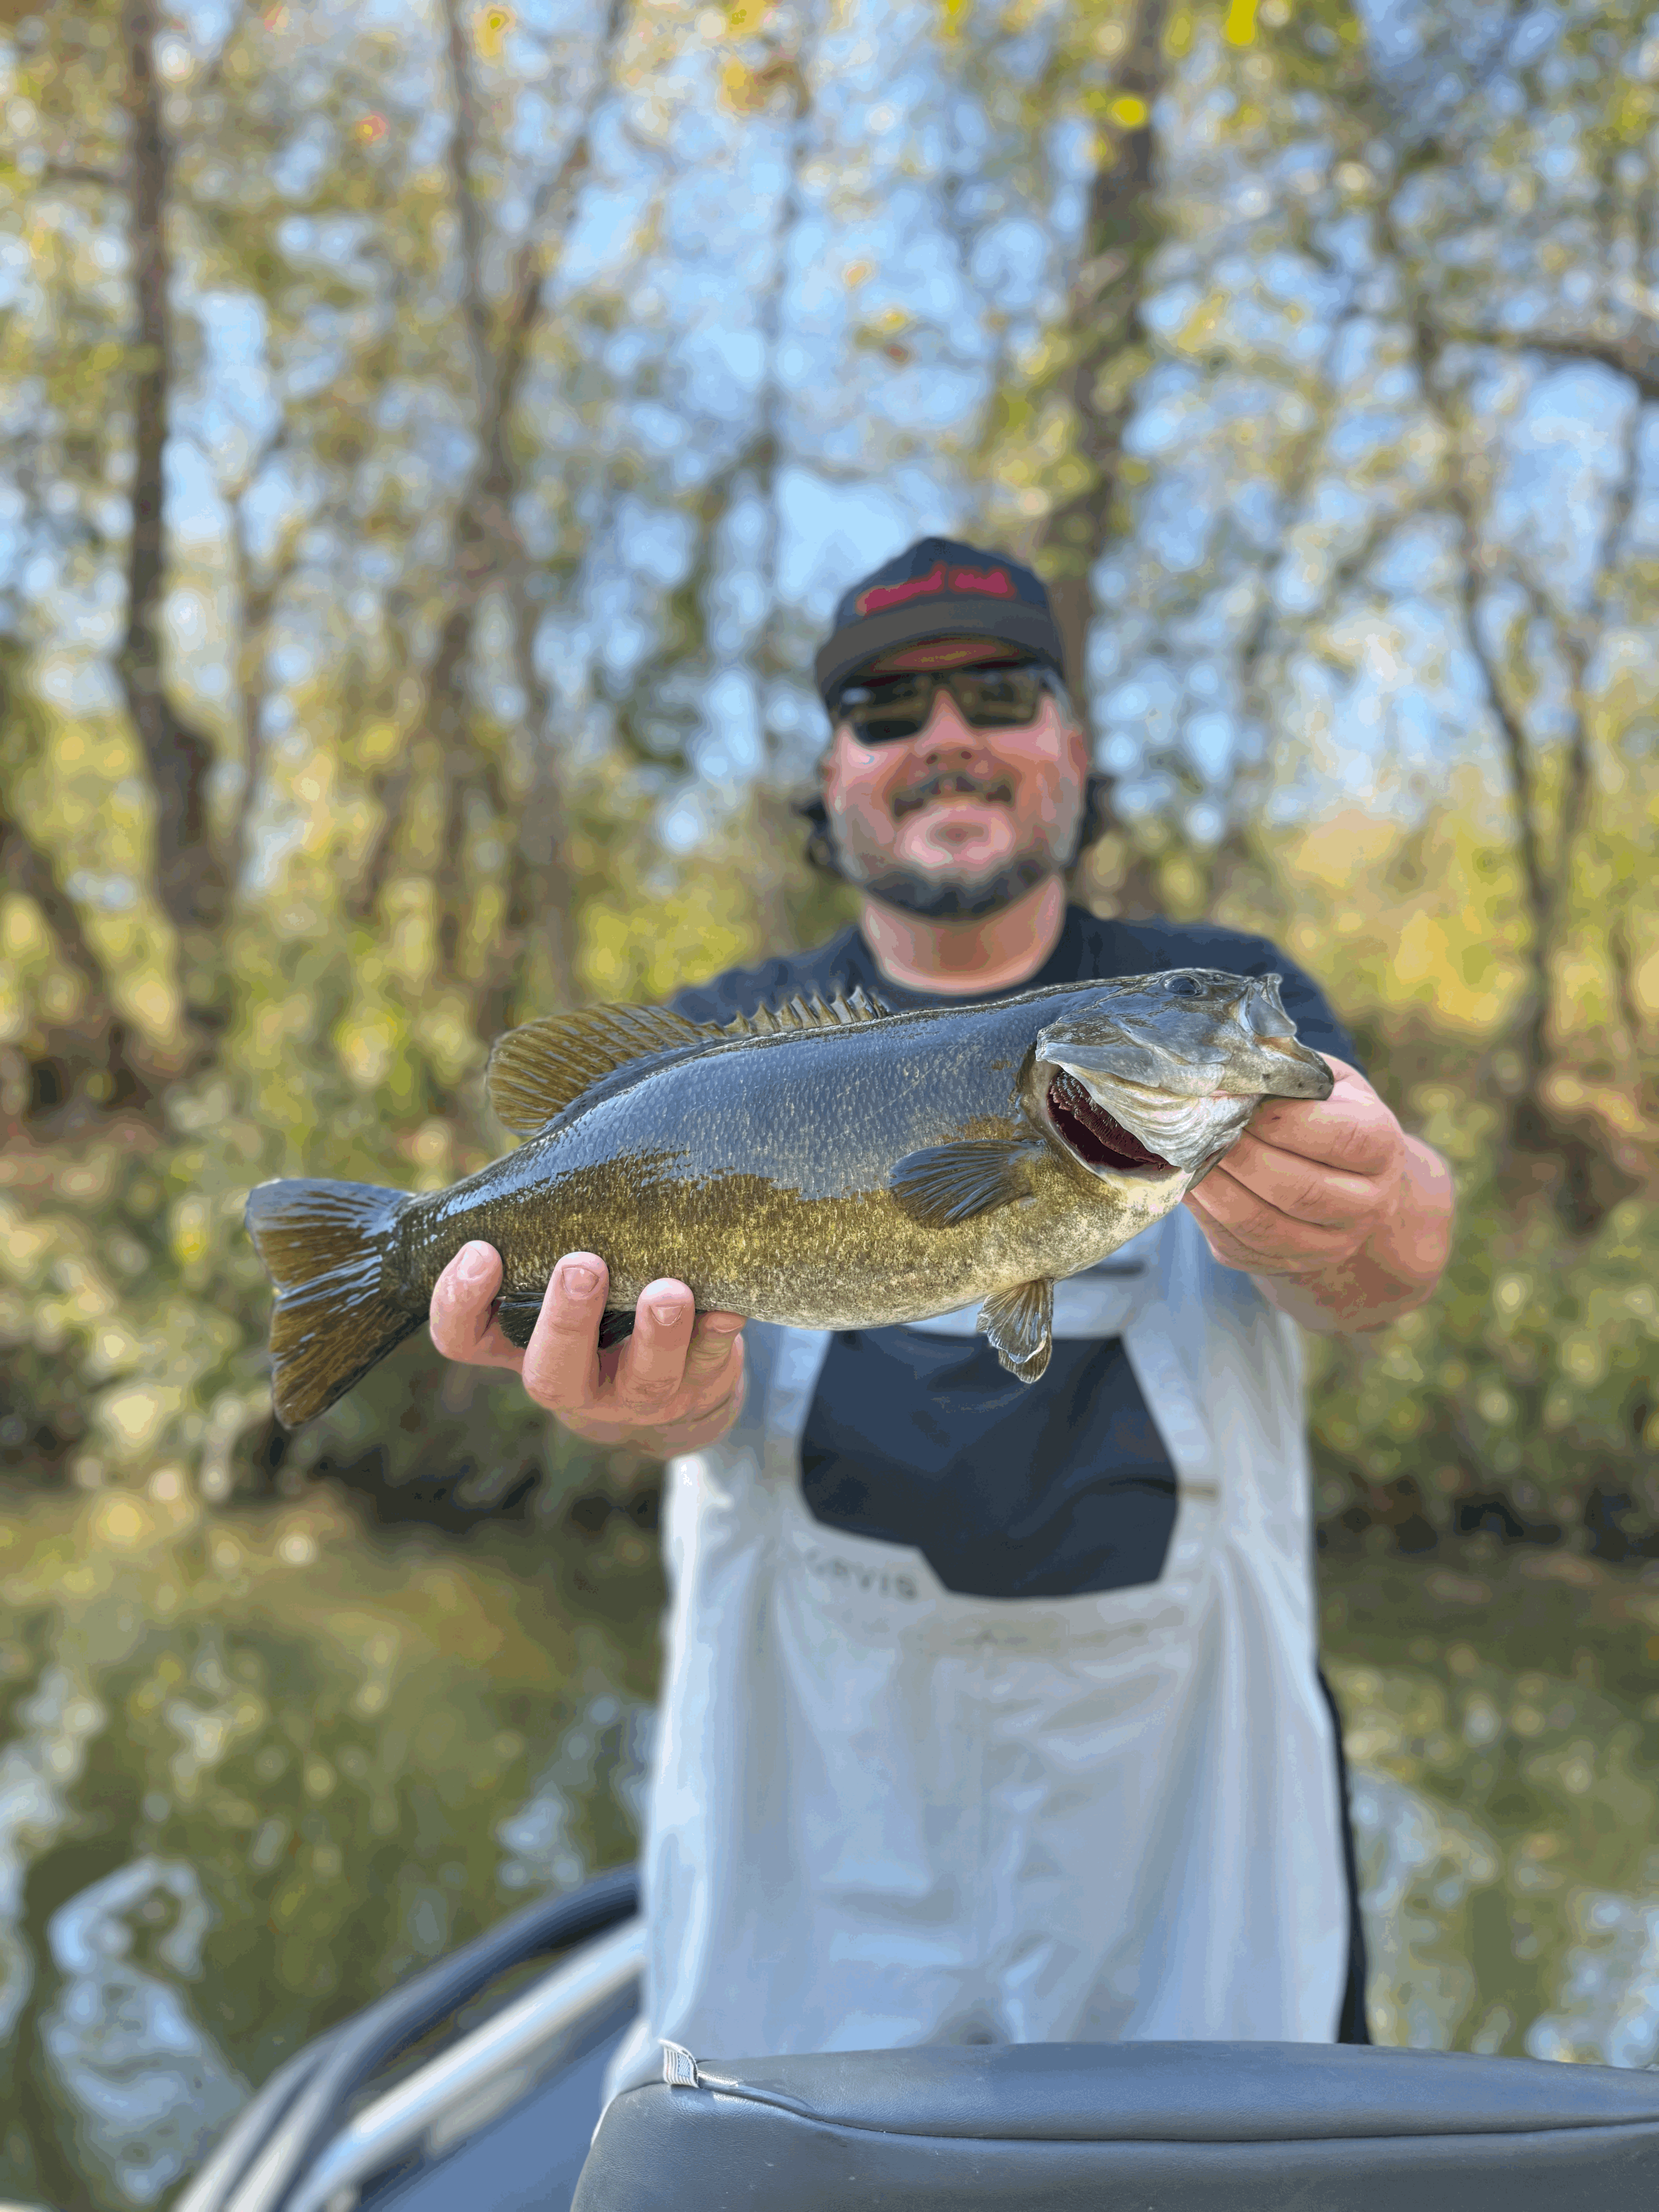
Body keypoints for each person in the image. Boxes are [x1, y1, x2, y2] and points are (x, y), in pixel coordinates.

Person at [428, 537, 1455, 2089]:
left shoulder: (1219, 992)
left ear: (1071, 749)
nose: (946, 736)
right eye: (887, 708)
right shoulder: (716, 1047)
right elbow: (688, 1400)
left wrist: (1366, 1214)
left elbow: (1396, 1255)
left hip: (1177, 1860)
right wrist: (647, 1400)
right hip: (813, 1848)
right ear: (832, 775)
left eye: (998, 690)